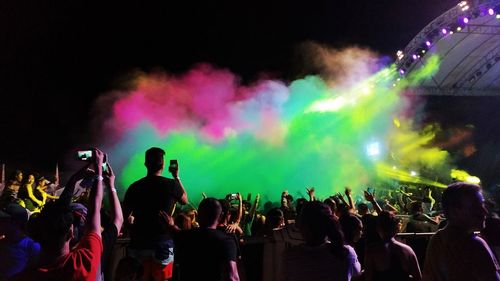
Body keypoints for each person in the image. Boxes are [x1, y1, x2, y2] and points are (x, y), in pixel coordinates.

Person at [9, 148, 107, 281]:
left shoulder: (22, 277)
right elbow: (95, 211)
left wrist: (73, 180)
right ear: (71, 232)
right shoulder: (83, 264)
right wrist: (99, 173)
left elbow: (90, 211)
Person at [123, 147, 188, 281]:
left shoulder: (134, 187)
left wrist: (131, 225)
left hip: (139, 243)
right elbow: (184, 200)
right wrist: (176, 177)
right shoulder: (172, 185)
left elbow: (124, 216)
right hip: (163, 243)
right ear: (163, 165)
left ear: (146, 164)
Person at [422, 182, 500, 281]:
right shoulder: (475, 245)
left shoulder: (437, 240)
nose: (484, 211)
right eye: (476, 206)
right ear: (455, 211)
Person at [281, 201, 361, 281]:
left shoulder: (290, 256)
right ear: (329, 224)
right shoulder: (346, 253)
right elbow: (356, 273)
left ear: (302, 226)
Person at [173, 198, 240, 281]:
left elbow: (172, 230)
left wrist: (169, 224)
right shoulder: (226, 241)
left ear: (197, 215)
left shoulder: (184, 236)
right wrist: (237, 223)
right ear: (221, 216)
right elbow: (233, 277)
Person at [364, 211, 421, 281]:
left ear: (378, 228)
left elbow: (368, 277)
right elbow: (418, 278)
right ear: (396, 228)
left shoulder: (372, 251)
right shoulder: (408, 250)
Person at [0, 203, 40, 281]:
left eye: (4, 221)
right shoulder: (3, 241)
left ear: (15, 223)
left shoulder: (31, 246)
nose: (1, 224)